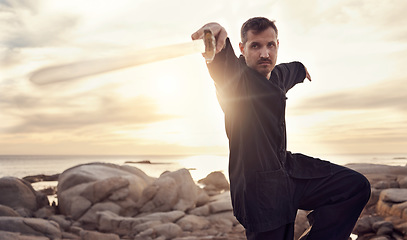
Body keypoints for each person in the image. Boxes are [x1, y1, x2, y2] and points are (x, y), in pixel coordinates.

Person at [191, 17, 371, 240]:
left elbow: (289, 70)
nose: (265, 53)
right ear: (242, 49)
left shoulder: (276, 76)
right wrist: (217, 40)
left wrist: (301, 69)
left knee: (355, 187)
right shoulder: (237, 80)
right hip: (260, 192)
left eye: (270, 45)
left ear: (277, 46)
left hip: (288, 173)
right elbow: (223, 65)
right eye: (255, 46)